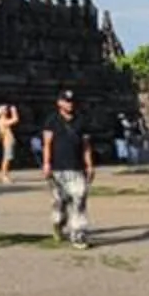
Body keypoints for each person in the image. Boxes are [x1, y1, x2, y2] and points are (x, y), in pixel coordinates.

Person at [43, 86, 95, 246]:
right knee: (60, 202)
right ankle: (58, 224)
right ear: (59, 103)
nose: (70, 105)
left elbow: (86, 145)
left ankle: (78, 234)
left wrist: (89, 165)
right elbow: (47, 143)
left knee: (79, 198)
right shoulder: (52, 120)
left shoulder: (81, 120)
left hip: (76, 166)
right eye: (66, 101)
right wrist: (46, 163)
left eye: (71, 102)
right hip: (58, 167)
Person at [0, 102, 20, 181]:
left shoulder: (3, 119)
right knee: (7, 159)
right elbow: (15, 120)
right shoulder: (2, 120)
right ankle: (4, 175)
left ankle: (4, 175)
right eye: (5, 110)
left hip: (8, 141)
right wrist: (14, 111)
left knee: (7, 158)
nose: (7, 111)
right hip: (7, 142)